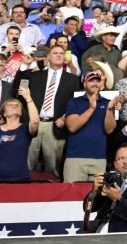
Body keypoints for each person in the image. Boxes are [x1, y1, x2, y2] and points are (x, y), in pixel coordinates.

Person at [14, 45, 80, 179]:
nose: (59, 55)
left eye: (61, 53)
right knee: (26, 164)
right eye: (55, 53)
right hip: (33, 123)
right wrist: (23, 67)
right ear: (48, 57)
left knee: (54, 168)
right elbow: (18, 91)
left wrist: (65, 117)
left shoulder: (72, 79)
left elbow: (75, 103)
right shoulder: (36, 75)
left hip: (56, 125)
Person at [63, 66, 120, 182]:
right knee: (72, 195)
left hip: (99, 158)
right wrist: (91, 108)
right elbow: (72, 127)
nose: (95, 83)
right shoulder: (74, 102)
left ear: (101, 84)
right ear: (84, 84)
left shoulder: (107, 103)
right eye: (91, 80)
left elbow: (109, 130)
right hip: (75, 158)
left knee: (98, 197)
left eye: (97, 81)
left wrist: (109, 109)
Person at [0, 84, 40, 188]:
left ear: (21, 111)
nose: (14, 106)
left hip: (19, 179)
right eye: (10, 105)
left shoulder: (25, 129)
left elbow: (34, 121)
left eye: (17, 105)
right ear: (4, 113)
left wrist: (28, 97)